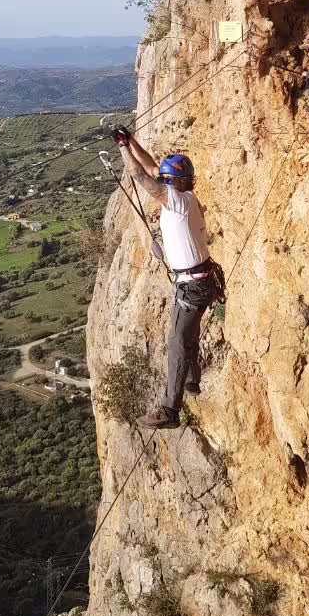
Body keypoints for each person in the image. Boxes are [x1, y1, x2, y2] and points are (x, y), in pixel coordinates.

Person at [113, 127, 221, 430]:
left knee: (176, 342)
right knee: (186, 335)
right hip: (200, 282)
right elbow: (150, 167)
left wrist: (122, 147)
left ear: (172, 184)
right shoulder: (182, 196)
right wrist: (132, 141)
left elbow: (140, 176)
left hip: (193, 285)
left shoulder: (178, 200)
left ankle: (170, 409)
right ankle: (191, 381)